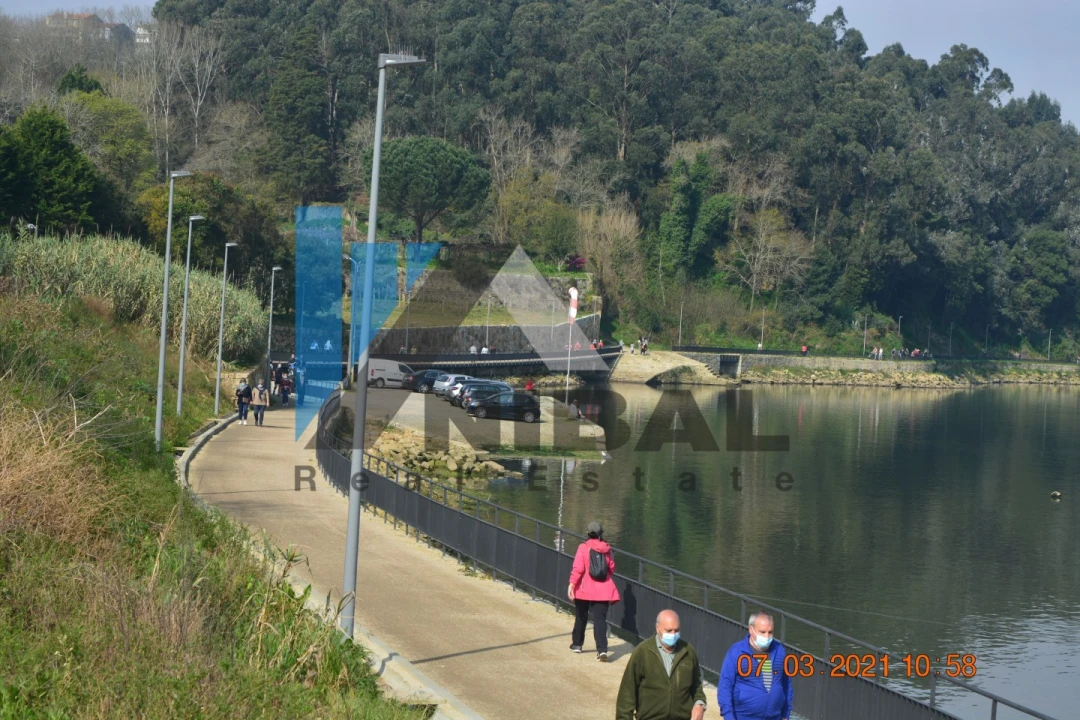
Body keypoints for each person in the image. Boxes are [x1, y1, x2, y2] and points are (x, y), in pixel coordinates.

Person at [616, 609, 707, 720]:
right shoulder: (643, 652)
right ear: (657, 628)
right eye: (669, 631)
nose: (673, 634)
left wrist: (700, 704)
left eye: (676, 630)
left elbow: (696, 686)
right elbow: (627, 695)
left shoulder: (688, 651)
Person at [717, 612, 793, 720]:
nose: (767, 636)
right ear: (751, 629)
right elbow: (725, 686)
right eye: (762, 632)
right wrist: (728, 716)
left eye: (770, 632)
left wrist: (785, 714)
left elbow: (787, 685)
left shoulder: (779, 651)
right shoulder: (737, 652)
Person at [568, 521, 620, 661]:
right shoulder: (607, 548)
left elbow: (578, 569)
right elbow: (611, 568)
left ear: (587, 533)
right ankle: (602, 650)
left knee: (581, 616)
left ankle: (577, 645)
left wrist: (572, 584)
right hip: (603, 590)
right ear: (601, 534)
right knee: (600, 620)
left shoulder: (583, 547)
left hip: (584, 588)